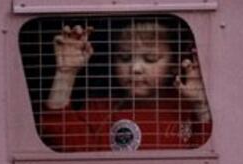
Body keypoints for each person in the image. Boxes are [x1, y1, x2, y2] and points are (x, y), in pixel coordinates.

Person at [41, 20, 211, 152]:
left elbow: (210, 152)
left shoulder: (186, 105)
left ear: (174, 64)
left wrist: (200, 105)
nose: (135, 69)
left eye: (150, 59)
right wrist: (66, 73)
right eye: (124, 58)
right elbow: (61, 140)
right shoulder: (100, 108)